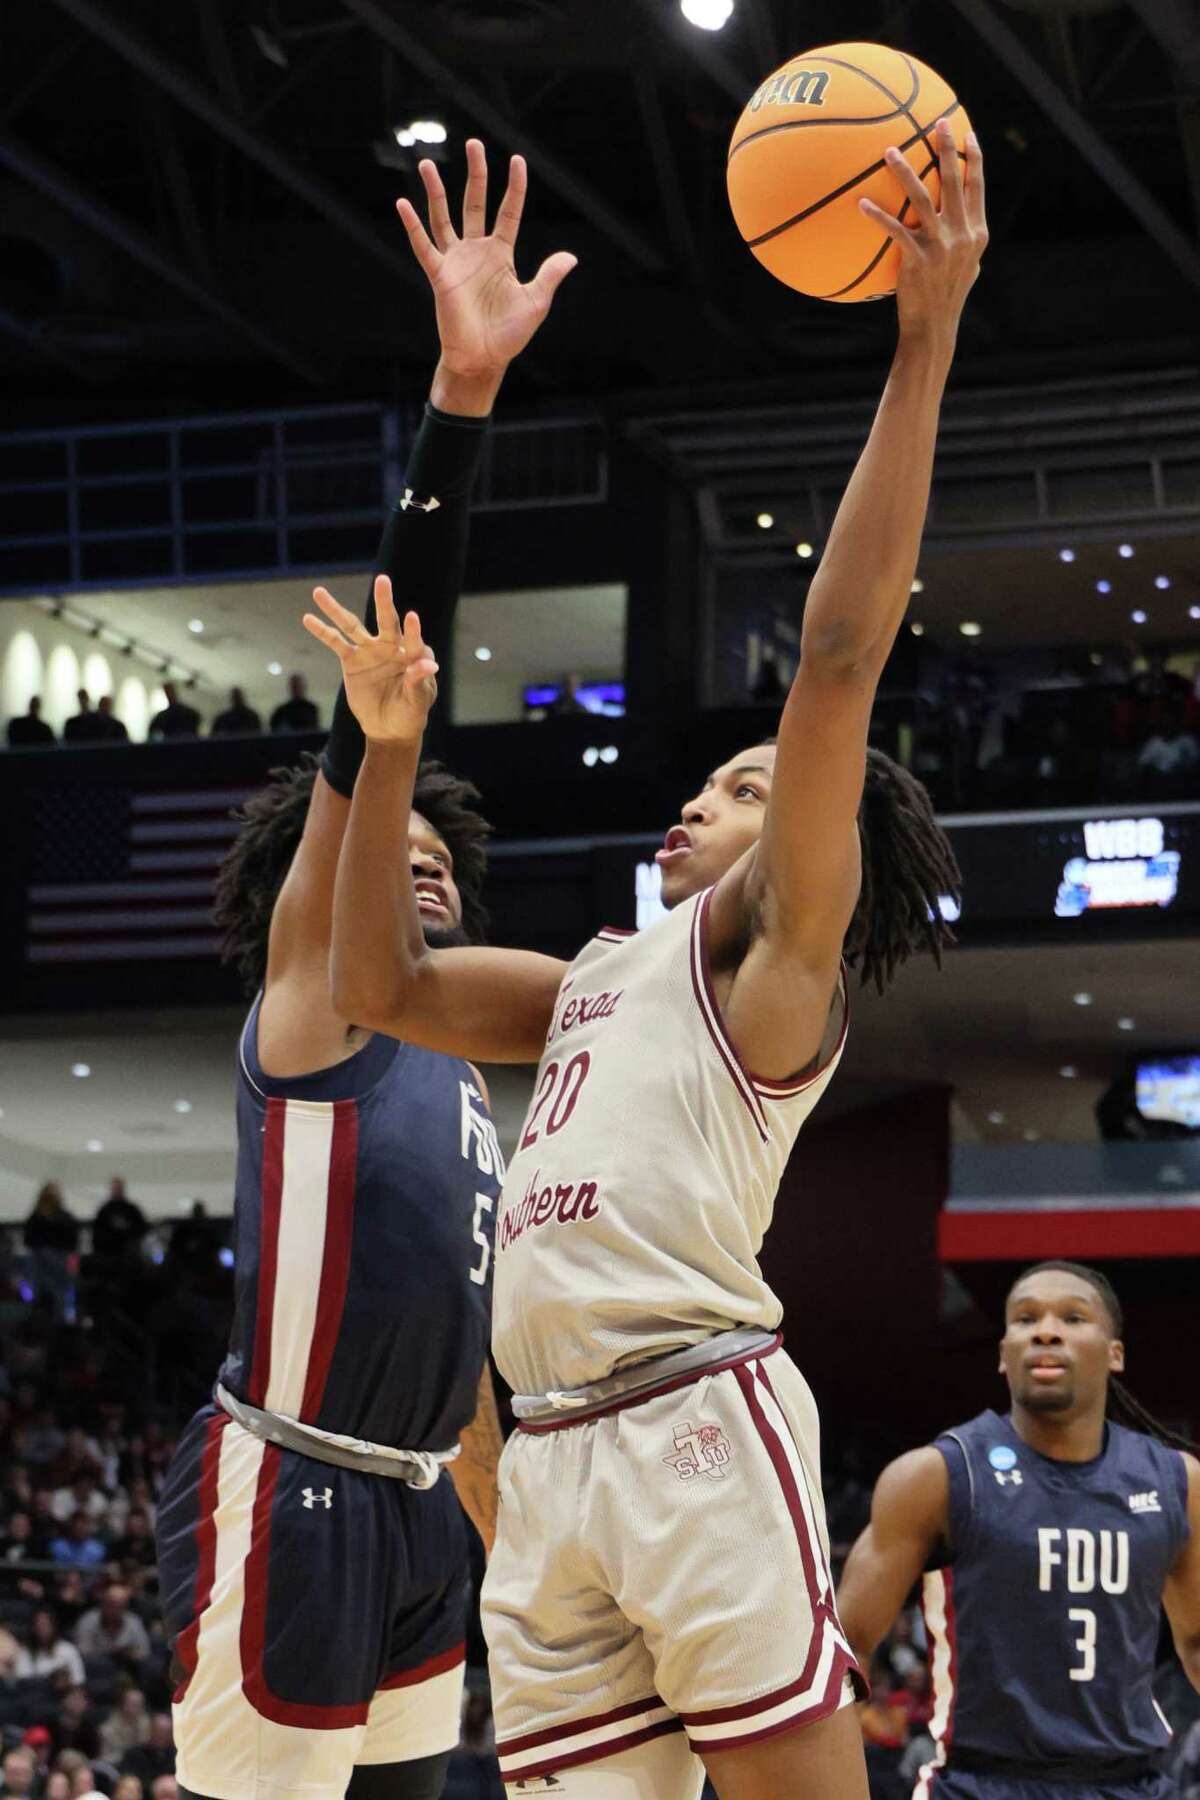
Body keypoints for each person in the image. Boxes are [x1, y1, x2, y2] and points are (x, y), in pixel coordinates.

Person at [310, 120, 984, 1799]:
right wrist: (386, 748)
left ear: (818, 838)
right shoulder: (598, 976)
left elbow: (837, 658)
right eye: (713, 772)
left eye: (752, 785)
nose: (712, 791)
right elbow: (378, 987)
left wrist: (922, 339)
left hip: (693, 1418)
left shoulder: (773, 966)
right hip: (545, 1463)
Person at [155, 139, 574, 1800]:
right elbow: (371, 724)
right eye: (384, 864)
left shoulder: (458, 1076)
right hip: (297, 1485)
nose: (414, 873)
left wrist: (507, 1537)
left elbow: (459, 1346)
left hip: (413, 1498)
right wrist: (461, 402)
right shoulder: (314, 1004)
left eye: (438, 877)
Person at [837, 1261, 1200, 1798]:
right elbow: (847, 1651)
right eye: (1025, 1318)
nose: (1046, 1330)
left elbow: (1196, 1640)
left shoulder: (1178, 1482)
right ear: (1004, 1355)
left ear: (1115, 1353)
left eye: (1073, 1318)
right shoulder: (936, 1477)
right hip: (980, 1782)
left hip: (1131, 1784)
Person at [24, 1183, 79, 1320]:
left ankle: (64, 1318)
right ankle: (37, 1314)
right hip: (41, 1262)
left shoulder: (65, 1218)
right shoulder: (35, 1218)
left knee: (64, 1289)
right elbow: (29, 1240)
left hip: (60, 1260)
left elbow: (72, 1241)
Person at [14, 1605, 85, 1686]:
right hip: (35, 1696)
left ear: (53, 1627)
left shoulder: (68, 1650)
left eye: (46, 1625)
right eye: (39, 1625)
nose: (42, 1629)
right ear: (33, 1628)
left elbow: (78, 1682)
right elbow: (23, 1684)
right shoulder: (24, 1653)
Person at [91, 1179, 147, 1262]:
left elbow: (141, 1228)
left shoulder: (131, 1209)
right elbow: (97, 1232)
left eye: (118, 1188)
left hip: (128, 1254)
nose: (117, 1191)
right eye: (115, 1189)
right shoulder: (105, 1210)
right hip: (109, 1254)